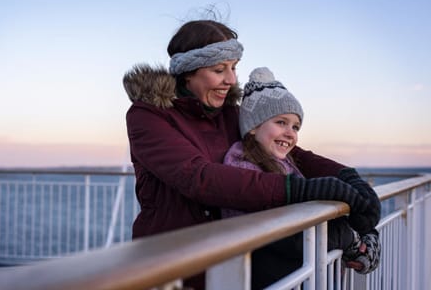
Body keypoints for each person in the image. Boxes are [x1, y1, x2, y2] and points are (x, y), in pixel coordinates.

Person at [122, 18, 381, 289]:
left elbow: (295, 154)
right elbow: (198, 178)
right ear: (188, 72)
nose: (231, 79)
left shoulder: (231, 114)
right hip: (171, 269)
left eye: (234, 68)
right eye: (219, 69)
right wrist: (301, 190)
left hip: (233, 267)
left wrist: (349, 179)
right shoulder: (148, 116)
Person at [222, 66, 381, 287]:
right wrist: (348, 236)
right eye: (281, 122)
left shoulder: (284, 162)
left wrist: (366, 233)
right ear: (252, 127)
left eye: (295, 126)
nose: (290, 133)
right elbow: (286, 237)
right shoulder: (240, 164)